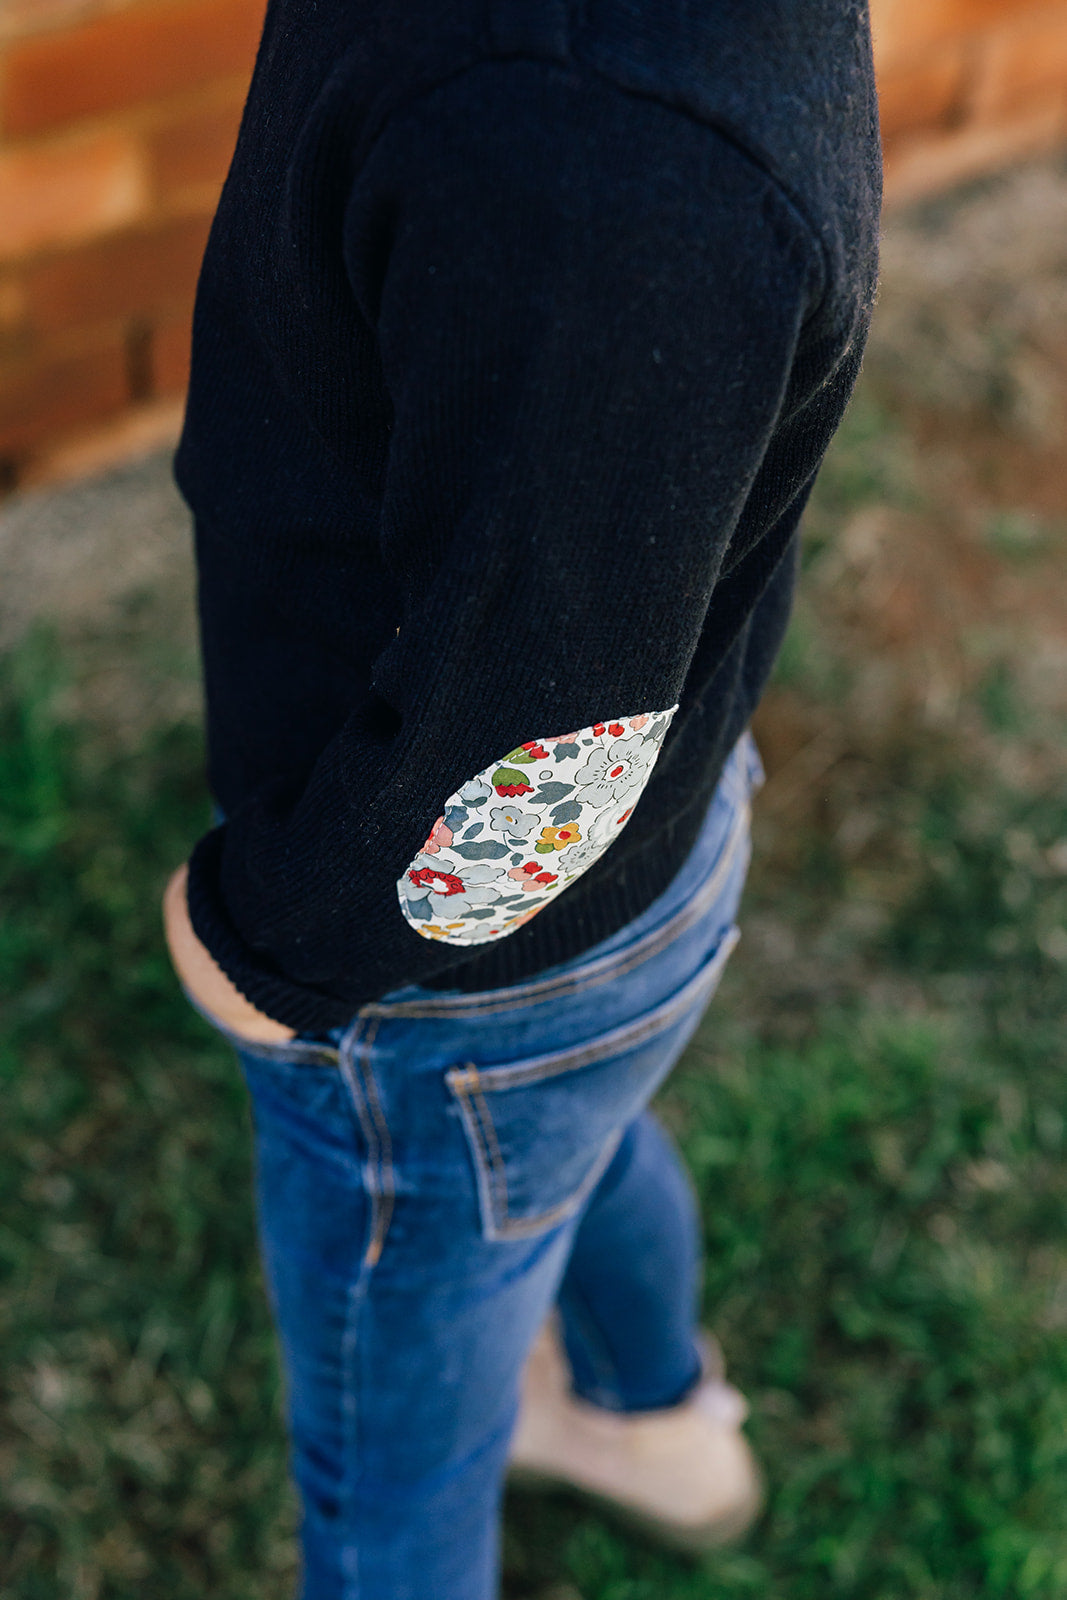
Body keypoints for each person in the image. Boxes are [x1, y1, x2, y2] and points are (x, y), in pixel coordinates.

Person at [162, 1, 881, 1594]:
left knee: (390, 1474)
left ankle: (640, 1422)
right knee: (557, 1149)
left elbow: (537, 751)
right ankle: (649, 1421)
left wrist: (268, 943)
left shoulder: (589, 150)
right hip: (633, 872)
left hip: (447, 968)